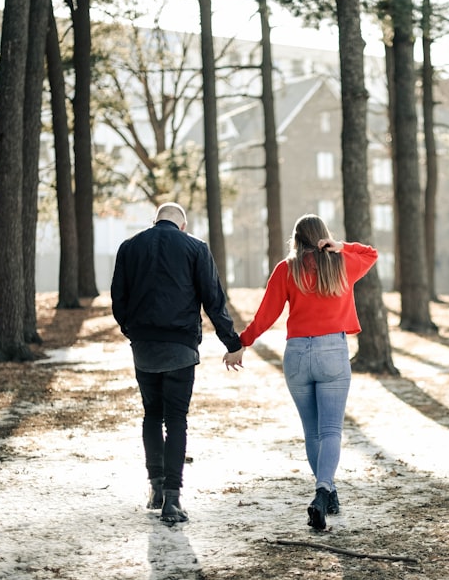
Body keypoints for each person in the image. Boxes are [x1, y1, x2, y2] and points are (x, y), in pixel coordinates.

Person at [235, 214, 378, 531]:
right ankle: (323, 491)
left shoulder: (287, 269)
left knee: (312, 432)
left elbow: (266, 314)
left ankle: (329, 493)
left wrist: (242, 342)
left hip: (297, 355)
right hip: (332, 354)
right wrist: (341, 246)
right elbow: (371, 253)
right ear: (324, 236)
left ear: (296, 240)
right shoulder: (341, 263)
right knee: (331, 431)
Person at [111, 202, 245, 524]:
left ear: (154, 221)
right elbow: (213, 299)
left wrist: (132, 331)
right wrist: (232, 343)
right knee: (176, 421)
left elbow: (118, 298)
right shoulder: (195, 248)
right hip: (181, 347)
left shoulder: (130, 247)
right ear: (182, 226)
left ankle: (155, 488)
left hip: (145, 348)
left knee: (151, 415)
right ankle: (173, 499)